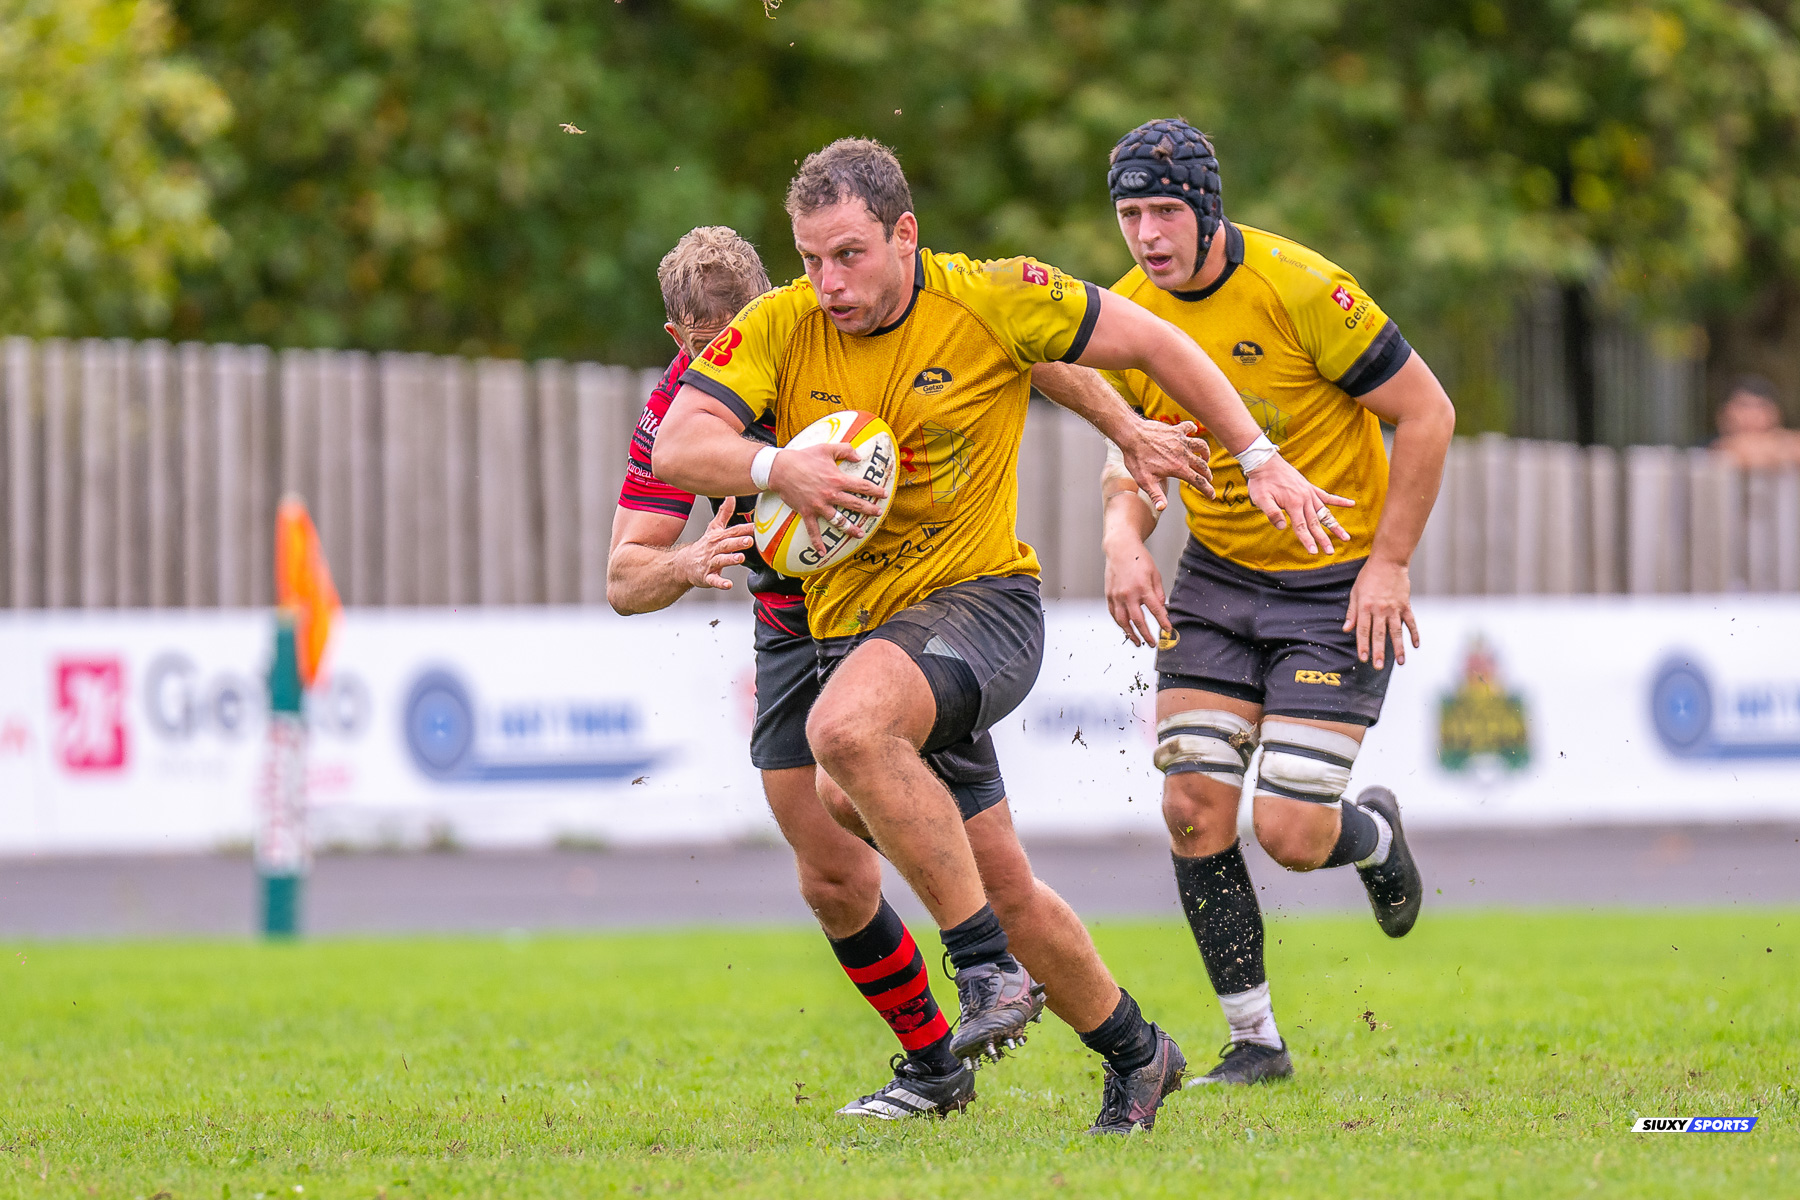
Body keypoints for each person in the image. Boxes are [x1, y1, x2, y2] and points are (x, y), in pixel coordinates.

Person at [653, 138, 1350, 1132]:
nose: (828, 282)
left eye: (848, 254)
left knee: (844, 738)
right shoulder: (777, 324)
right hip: (865, 636)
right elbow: (679, 442)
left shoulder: (991, 294)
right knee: (986, 872)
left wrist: (1256, 452)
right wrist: (779, 472)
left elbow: (1152, 343)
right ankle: (1136, 1051)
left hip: (982, 610)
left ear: (905, 234)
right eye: (809, 258)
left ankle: (984, 970)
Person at [609, 227, 1197, 1124]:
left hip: (902, 620)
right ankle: (935, 1066)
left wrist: (1123, 423)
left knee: (993, 876)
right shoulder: (680, 405)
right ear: (675, 337)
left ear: (766, 308)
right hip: (788, 631)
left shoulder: (816, 334)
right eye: (695, 347)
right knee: (831, 874)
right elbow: (624, 577)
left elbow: (1022, 345)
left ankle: (1126, 1045)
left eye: (726, 337)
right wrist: (687, 563)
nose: (713, 362)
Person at [1059, 118, 1454, 1087]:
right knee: (1193, 809)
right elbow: (1134, 455)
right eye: (1128, 213)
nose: (1146, 233)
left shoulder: (1298, 287)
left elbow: (1428, 412)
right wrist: (1121, 539)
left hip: (1334, 585)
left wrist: (1390, 562)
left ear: (1205, 207)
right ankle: (1256, 1042)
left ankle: (1370, 836)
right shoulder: (1130, 312)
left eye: (1162, 210)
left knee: (1288, 833)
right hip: (1220, 579)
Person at [1712, 375, 1800, 469]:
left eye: (1761, 406)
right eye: (1744, 405)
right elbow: (1734, 452)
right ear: (1723, 413)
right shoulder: (1711, 450)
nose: (1752, 415)